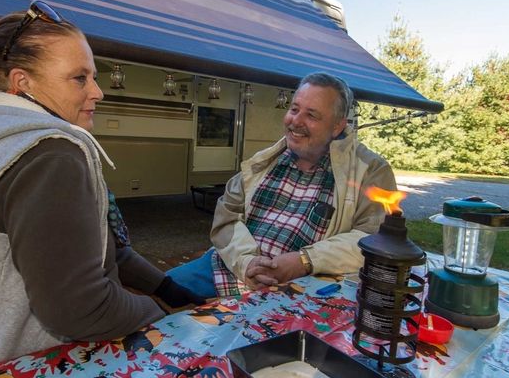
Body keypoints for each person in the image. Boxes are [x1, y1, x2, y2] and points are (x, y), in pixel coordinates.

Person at [0, 0, 202, 378]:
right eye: (80, 78)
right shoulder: (51, 154)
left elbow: (99, 248)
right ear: (23, 83)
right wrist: (164, 318)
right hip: (12, 361)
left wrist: (164, 286)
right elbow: (80, 310)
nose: (98, 92)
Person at [168, 73, 397, 297]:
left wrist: (306, 260)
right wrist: (247, 262)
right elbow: (227, 217)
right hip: (229, 267)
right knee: (154, 293)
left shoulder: (370, 170)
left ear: (337, 126)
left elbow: (377, 240)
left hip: (302, 288)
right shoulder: (264, 161)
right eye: (294, 109)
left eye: (312, 115)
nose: (296, 121)